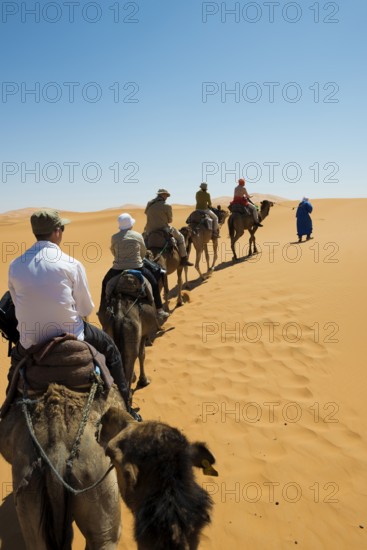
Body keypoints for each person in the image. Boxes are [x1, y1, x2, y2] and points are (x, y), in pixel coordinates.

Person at [8, 209, 131, 409]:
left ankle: (7, 407)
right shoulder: (71, 264)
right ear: (56, 231)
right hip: (72, 334)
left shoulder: (15, 265)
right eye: (62, 228)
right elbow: (85, 308)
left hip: (31, 339)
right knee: (111, 349)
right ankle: (127, 406)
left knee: (15, 362)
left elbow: (16, 303)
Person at [99, 213, 169, 322]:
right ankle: (160, 310)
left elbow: (113, 251)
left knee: (104, 283)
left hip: (117, 268)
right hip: (137, 267)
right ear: (131, 224)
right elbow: (143, 251)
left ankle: (102, 310)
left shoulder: (114, 237)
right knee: (154, 283)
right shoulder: (137, 235)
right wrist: (137, 259)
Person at [144, 189, 193, 266]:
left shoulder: (149, 204)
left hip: (149, 229)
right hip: (163, 228)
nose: (167, 197)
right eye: (166, 195)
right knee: (180, 238)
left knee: (142, 241)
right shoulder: (167, 206)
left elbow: (146, 213)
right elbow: (170, 220)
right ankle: (184, 259)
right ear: (162, 195)